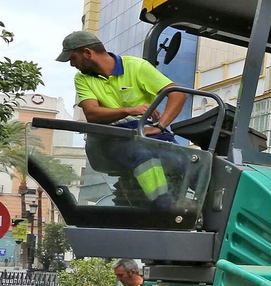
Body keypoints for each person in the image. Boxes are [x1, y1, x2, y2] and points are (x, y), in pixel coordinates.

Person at [61, 30, 188, 208]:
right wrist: (130, 109)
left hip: (146, 132)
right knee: (144, 155)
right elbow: (92, 114)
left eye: (72, 58)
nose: (72, 64)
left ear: (88, 53)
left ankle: (197, 209)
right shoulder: (82, 78)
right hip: (111, 137)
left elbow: (177, 94)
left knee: (187, 160)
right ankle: (164, 207)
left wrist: (160, 126)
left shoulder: (137, 67)